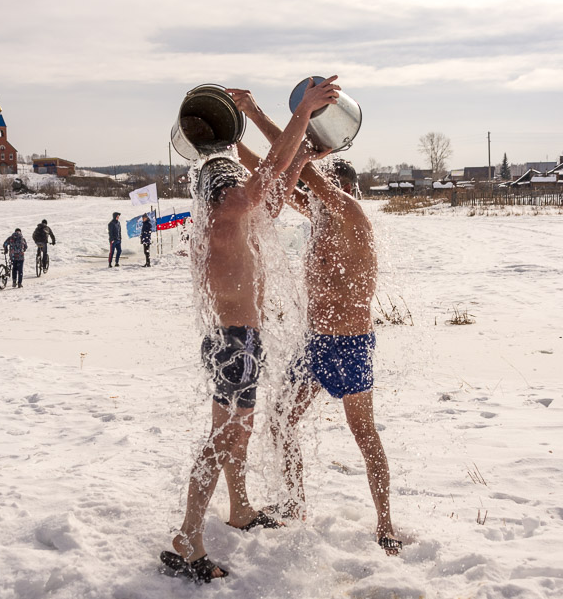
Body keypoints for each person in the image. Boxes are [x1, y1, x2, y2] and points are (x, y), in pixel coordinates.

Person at [160, 76, 342, 583]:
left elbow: (265, 201)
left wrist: (300, 157)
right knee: (223, 438)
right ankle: (187, 538)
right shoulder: (220, 178)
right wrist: (301, 113)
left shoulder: (220, 186)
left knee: (237, 432)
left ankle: (239, 508)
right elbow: (255, 192)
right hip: (233, 338)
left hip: (240, 336)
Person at [228, 87, 400, 554]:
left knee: (364, 435)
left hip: (349, 345)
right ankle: (295, 504)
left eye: (318, 183)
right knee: (282, 423)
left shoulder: (348, 211)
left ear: (337, 185)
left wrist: (262, 114)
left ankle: (385, 523)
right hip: (316, 344)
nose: (307, 191)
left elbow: (298, 161)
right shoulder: (320, 213)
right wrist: (230, 142)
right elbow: (272, 173)